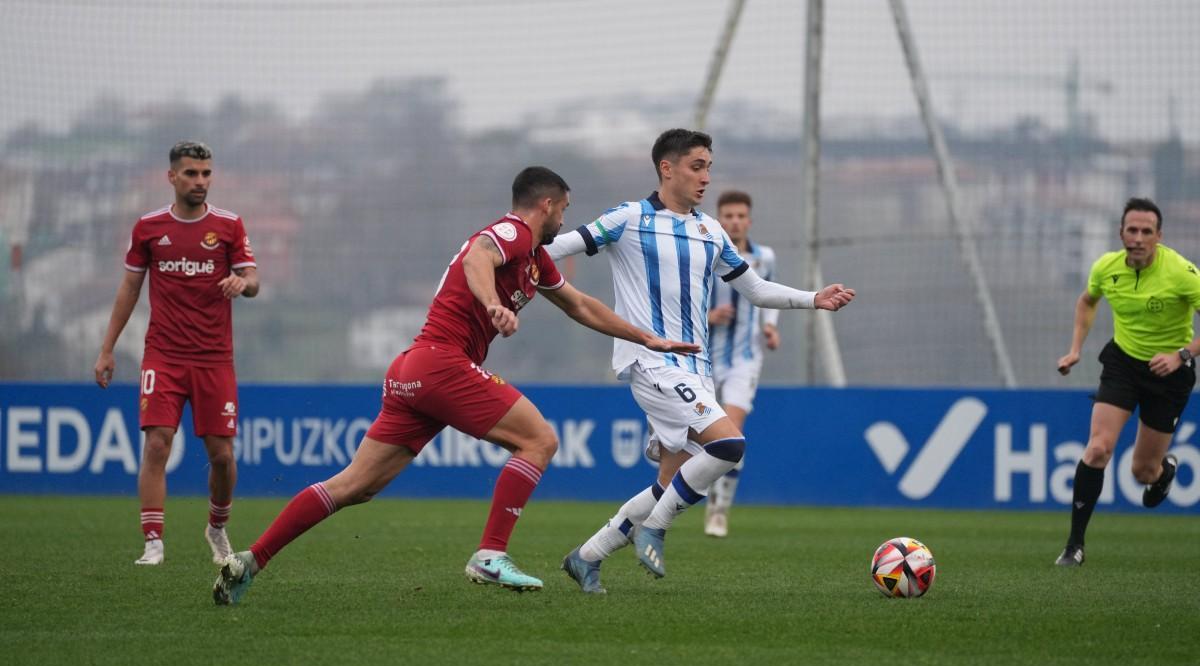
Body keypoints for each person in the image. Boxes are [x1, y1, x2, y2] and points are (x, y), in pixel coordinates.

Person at [212, 166, 698, 604]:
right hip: (442, 363)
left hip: (414, 369)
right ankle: (490, 553)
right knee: (540, 440)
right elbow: (478, 258)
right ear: (546, 205)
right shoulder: (509, 231)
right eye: (564, 210)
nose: (563, 222)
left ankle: (249, 562)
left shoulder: (535, 259)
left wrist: (647, 338)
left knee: (355, 486)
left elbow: (580, 305)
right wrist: (490, 303)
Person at [546, 129, 854, 593]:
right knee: (729, 447)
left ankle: (587, 556)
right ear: (666, 168)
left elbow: (755, 288)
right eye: (697, 166)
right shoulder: (628, 219)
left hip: (697, 370)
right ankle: (656, 529)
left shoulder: (710, 230)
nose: (706, 176)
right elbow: (554, 246)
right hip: (651, 364)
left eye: (709, 166)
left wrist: (814, 299)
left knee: (666, 484)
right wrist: (500, 256)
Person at [94, 141, 260, 566]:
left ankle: (217, 527)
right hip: (163, 356)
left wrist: (242, 284)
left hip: (214, 358)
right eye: (191, 173)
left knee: (221, 456)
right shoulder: (149, 228)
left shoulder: (228, 225)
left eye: (206, 174)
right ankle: (153, 541)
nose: (200, 181)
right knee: (156, 444)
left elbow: (253, 278)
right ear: (172, 177)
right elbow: (130, 287)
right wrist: (108, 348)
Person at [1055, 197, 1197, 567]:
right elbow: (1087, 301)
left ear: (1158, 236)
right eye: (1131, 230)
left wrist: (1182, 354)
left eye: (1145, 232)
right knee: (1098, 449)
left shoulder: (1180, 272)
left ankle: (1163, 472)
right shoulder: (1106, 267)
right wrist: (1075, 349)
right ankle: (1074, 546)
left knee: (1141, 472)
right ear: (1120, 233)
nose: (1137, 238)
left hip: (1169, 375)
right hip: (1122, 364)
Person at [702, 189, 780, 538]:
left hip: (745, 359)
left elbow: (770, 295)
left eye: (740, 216)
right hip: (702, 356)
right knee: (702, 440)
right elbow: (686, 300)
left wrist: (770, 327)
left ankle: (719, 509)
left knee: (733, 435)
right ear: (719, 219)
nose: (734, 221)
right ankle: (695, 494)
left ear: (749, 220)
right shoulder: (705, 253)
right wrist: (709, 316)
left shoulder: (764, 257)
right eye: (728, 216)